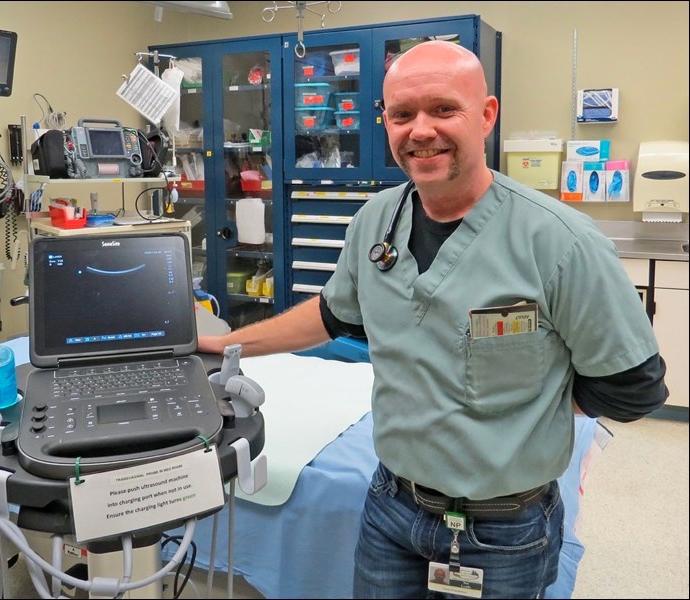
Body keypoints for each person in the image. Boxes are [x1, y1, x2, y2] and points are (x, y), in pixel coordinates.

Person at [199, 40, 668, 599]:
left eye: (444, 109)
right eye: (402, 115)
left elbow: (632, 388)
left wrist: (538, 404)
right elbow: (332, 317)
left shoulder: (561, 243)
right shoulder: (375, 219)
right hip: (390, 508)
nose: (421, 130)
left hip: (506, 528)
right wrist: (220, 344)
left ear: (486, 115)